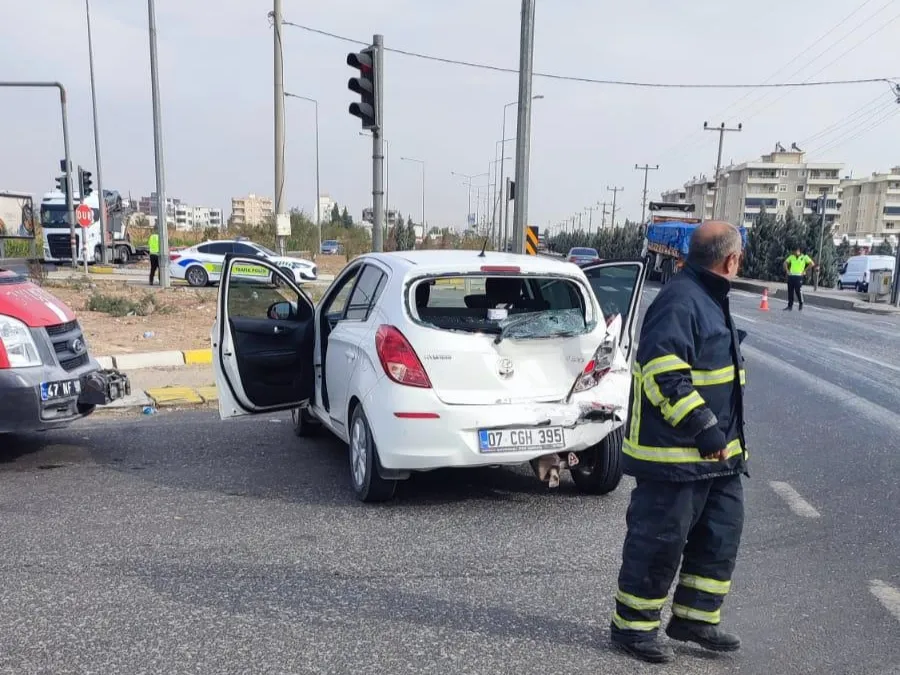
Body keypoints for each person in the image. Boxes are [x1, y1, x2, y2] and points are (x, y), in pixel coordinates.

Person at [610, 221, 748, 665]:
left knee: (719, 537)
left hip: (719, 457)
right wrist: (705, 427)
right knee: (658, 543)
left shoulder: (707, 294)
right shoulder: (681, 300)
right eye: (740, 256)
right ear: (730, 260)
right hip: (676, 455)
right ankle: (632, 628)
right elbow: (662, 374)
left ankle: (694, 618)